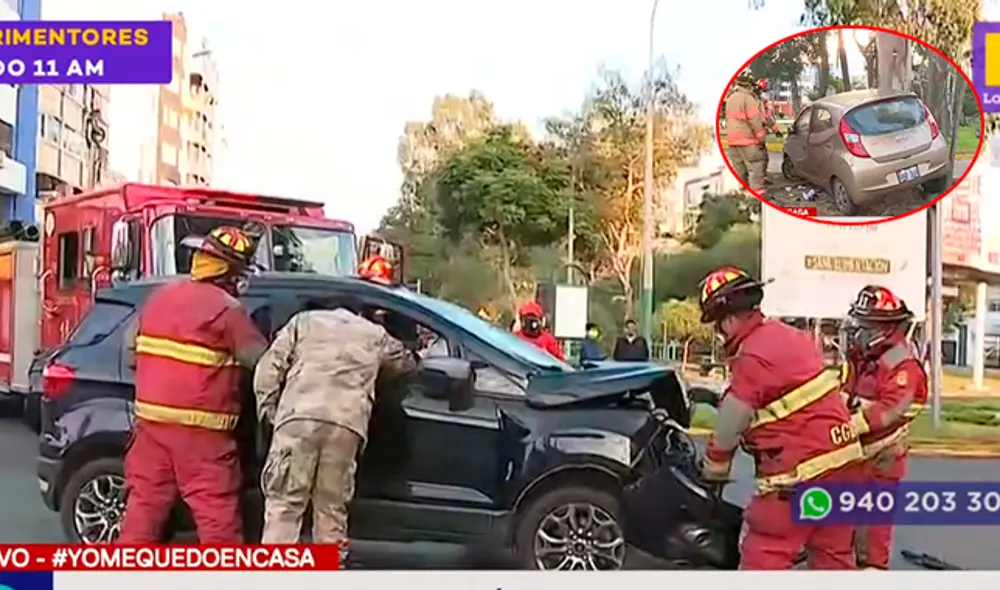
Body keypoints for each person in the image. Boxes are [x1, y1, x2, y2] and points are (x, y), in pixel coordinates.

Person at [696, 266, 864, 570]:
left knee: (766, 551)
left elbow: (734, 419)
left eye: (718, 325)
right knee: (833, 557)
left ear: (729, 318)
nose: (720, 334)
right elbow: (781, 397)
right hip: (843, 465)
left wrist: (714, 467)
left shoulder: (751, 354)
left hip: (798, 478)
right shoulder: (789, 336)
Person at [119, 226, 268, 543]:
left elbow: (131, 350)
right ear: (231, 271)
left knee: (143, 510)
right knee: (217, 519)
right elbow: (263, 364)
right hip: (202, 437)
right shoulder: (228, 311)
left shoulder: (159, 298)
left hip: (151, 429)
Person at [253, 299, 418, 548]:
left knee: (284, 507)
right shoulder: (375, 333)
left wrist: (269, 410)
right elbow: (406, 365)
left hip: (298, 418)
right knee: (331, 510)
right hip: (346, 424)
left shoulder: (302, 322)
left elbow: (268, 370)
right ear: (360, 312)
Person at [840, 285, 928, 570]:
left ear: (885, 329)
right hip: (856, 452)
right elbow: (847, 393)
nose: (859, 332)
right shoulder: (864, 359)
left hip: (882, 454)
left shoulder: (903, 365)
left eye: (866, 326)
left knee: (873, 533)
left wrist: (846, 427)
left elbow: (889, 409)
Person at [724, 70, 768, 193]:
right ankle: (756, 197)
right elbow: (755, 121)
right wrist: (761, 139)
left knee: (739, 170)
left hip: (733, 141)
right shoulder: (748, 99)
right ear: (749, 85)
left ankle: (741, 195)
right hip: (748, 141)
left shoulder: (730, 98)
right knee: (756, 168)